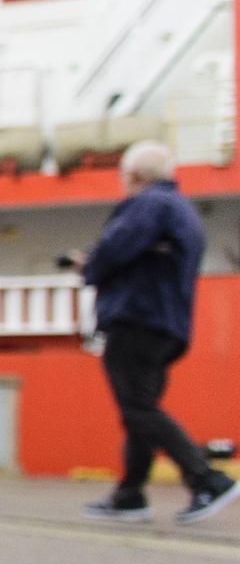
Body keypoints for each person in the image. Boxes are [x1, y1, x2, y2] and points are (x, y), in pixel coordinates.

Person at [73, 141, 237, 525]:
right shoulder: (182, 211)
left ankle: (206, 479)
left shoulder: (149, 204)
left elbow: (113, 250)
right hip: (167, 323)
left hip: (137, 318)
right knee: (140, 411)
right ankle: (129, 494)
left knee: (138, 409)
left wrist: (90, 267)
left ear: (133, 176)